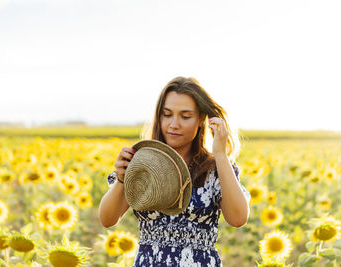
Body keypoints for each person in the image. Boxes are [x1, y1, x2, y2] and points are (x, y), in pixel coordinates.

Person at [98, 76, 251, 266]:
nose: (174, 124)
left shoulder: (215, 168)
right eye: (167, 114)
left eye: (185, 116)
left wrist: (220, 154)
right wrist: (122, 180)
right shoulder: (141, 161)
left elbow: (238, 218)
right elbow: (107, 219)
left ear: (201, 120)